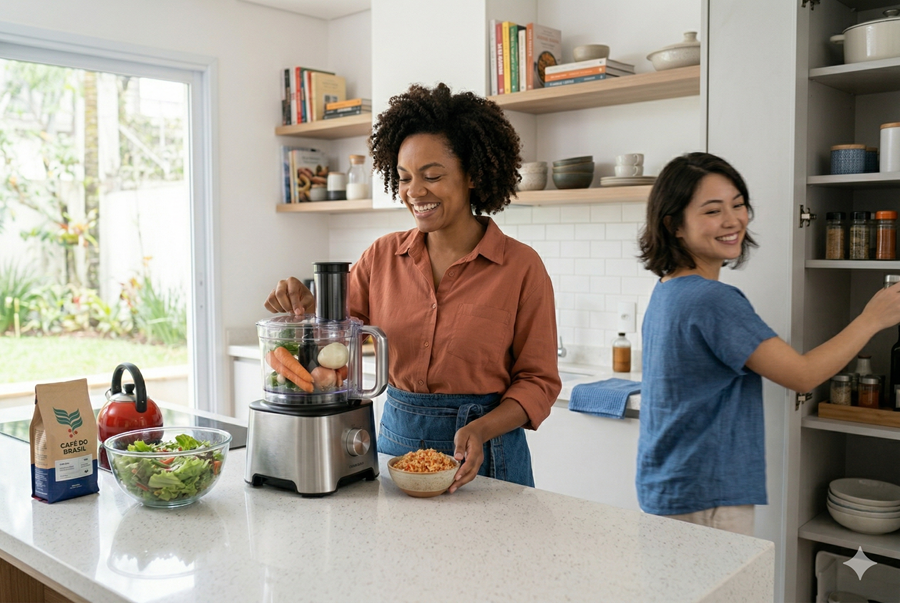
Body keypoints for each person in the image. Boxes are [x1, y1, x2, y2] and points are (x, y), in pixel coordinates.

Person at [264, 83, 561, 493]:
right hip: (394, 448)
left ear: (473, 174)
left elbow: (539, 382)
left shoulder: (521, 267)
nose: (414, 192)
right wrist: (302, 303)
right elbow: (327, 335)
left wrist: (481, 429)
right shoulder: (382, 256)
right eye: (403, 178)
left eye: (433, 176)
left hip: (487, 454)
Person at [636, 152, 900, 536]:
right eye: (712, 211)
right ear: (674, 225)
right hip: (706, 497)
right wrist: (872, 319)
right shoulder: (713, 300)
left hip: (669, 484)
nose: (732, 220)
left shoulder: (668, 288)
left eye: (738, 204)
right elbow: (802, 375)